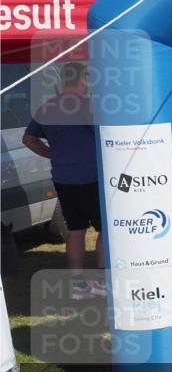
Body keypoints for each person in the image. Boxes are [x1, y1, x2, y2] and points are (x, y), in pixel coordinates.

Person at [22, 62, 105, 300]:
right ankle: (100, 282)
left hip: (64, 178)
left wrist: (52, 153)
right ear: (82, 80)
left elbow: (28, 139)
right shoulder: (88, 105)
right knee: (104, 231)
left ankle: (78, 285)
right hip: (92, 178)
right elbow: (102, 132)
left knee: (75, 231)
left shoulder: (47, 107)